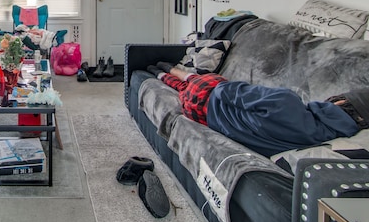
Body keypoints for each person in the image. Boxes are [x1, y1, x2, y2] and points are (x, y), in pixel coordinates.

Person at [147, 62, 369, 157]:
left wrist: (224, 84)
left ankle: (166, 69)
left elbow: (228, 92)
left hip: (209, 97)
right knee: (184, 90)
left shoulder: (286, 101)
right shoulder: (314, 140)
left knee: (197, 80)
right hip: (206, 119)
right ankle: (161, 74)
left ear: (339, 104)